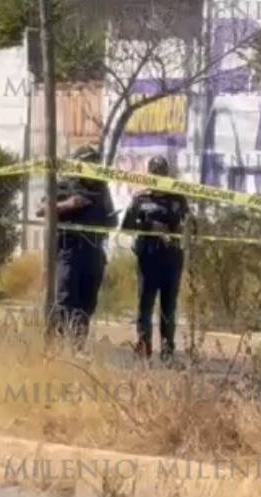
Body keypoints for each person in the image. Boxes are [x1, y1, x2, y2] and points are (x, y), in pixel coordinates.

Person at [37, 144, 115, 345]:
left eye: (96, 162)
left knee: (87, 304)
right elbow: (41, 210)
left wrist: (109, 221)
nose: (94, 166)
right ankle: (60, 346)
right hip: (70, 252)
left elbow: (111, 220)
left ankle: (77, 347)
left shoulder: (102, 189)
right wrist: (68, 204)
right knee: (65, 300)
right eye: (89, 162)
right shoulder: (65, 185)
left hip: (95, 253)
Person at [120, 155, 189, 361]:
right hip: (148, 257)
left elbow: (187, 225)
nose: (158, 175)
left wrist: (180, 231)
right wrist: (149, 226)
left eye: (162, 171)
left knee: (169, 305)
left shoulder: (178, 198)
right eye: (155, 172)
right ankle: (143, 345)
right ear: (149, 174)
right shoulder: (141, 199)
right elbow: (126, 227)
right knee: (145, 304)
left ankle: (168, 350)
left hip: (171, 257)